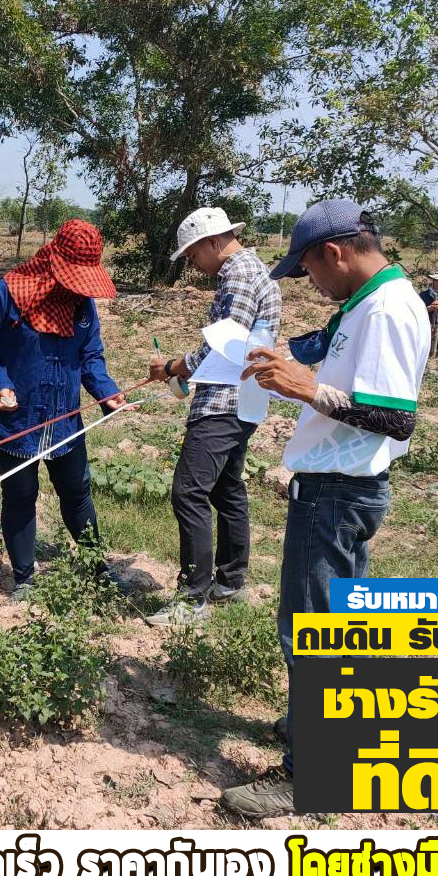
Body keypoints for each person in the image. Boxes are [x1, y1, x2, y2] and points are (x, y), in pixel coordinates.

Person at [218, 199, 430, 817]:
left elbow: (396, 418)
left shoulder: (388, 311)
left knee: (313, 635)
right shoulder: (367, 302)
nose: (308, 282)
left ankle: (309, 775)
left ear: (334, 253)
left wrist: (307, 389)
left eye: (308, 268)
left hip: (337, 493)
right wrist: (288, 355)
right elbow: (328, 344)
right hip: (336, 489)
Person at [0, 220, 127, 602]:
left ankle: (97, 567)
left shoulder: (82, 305)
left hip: (64, 418)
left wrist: (106, 393)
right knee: (20, 493)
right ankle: (24, 578)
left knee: (77, 490)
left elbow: (90, 356)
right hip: (16, 419)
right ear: (53, 261)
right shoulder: (4, 294)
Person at [144, 207, 282, 626]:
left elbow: (227, 343)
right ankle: (230, 581)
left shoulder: (238, 274)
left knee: (189, 491)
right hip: (244, 399)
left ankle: (193, 598)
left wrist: (173, 367)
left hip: (223, 402)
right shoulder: (252, 270)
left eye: (191, 254)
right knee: (226, 488)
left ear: (213, 242)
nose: (192, 264)